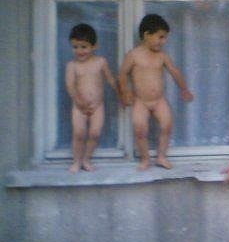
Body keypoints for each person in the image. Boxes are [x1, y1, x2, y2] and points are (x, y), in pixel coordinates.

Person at [118, 14, 194, 170]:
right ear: (147, 35)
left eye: (165, 38)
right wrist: (125, 92)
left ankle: (161, 156)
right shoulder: (133, 55)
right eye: (161, 37)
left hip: (159, 100)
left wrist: (184, 89)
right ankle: (145, 159)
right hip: (141, 101)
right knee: (140, 129)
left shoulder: (162, 56)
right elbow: (122, 75)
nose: (163, 41)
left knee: (167, 124)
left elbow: (174, 72)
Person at [65, 23, 118, 173]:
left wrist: (120, 92)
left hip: (97, 106)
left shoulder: (100, 62)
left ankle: (86, 159)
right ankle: (76, 161)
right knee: (79, 133)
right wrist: (78, 101)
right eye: (75, 47)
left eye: (84, 47)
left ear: (94, 46)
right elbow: (70, 85)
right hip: (79, 106)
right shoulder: (72, 65)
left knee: (95, 133)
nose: (79, 51)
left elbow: (110, 79)